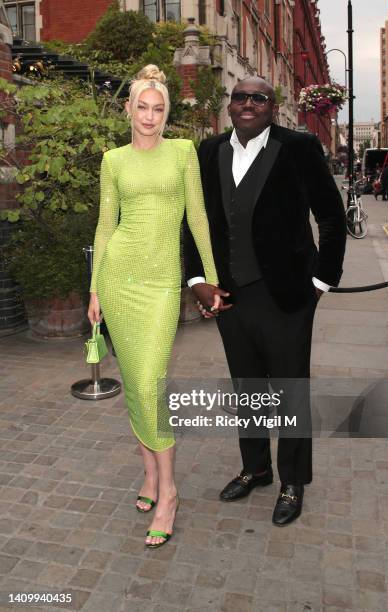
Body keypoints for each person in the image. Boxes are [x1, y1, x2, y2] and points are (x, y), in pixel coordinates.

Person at [184, 77, 347, 526]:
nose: (248, 103)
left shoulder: (298, 147)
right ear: (230, 105)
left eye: (259, 97)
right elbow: (193, 222)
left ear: (273, 107)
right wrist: (197, 279)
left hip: (287, 296)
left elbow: (331, 217)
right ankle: (256, 468)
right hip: (230, 297)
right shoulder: (208, 151)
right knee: (247, 388)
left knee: (291, 392)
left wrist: (321, 283)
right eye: (240, 97)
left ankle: (293, 481)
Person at [88, 65, 218, 547]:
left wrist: (212, 279)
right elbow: (105, 226)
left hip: (163, 284)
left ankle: (169, 493)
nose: (149, 116)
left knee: (149, 382)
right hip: (119, 279)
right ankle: (149, 478)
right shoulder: (113, 160)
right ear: (128, 109)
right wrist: (95, 290)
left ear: (168, 113)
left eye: (158, 108)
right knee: (137, 385)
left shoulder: (183, 153)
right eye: (141, 106)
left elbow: (199, 218)